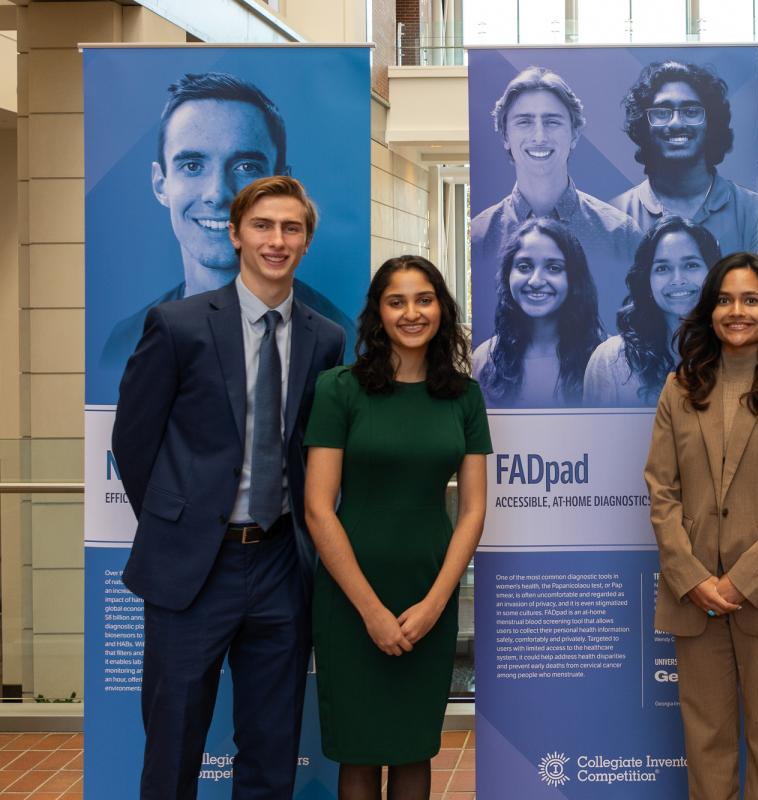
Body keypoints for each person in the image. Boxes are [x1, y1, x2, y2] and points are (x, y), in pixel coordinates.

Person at [112, 176, 346, 799]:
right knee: (173, 747)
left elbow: (309, 451)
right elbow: (133, 443)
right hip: (192, 571)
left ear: (306, 241)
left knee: (272, 752)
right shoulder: (179, 325)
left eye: (291, 228)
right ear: (237, 233)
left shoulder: (326, 339)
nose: (277, 240)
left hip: (280, 565)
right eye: (264, 226)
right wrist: (181, 524)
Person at [304, 255, 491, 799]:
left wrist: (437, 604)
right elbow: (319, 508)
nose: (412, 313)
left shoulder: (463, 395)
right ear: (378, 313)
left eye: (424, 299)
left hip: (427, 589)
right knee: (358, 753)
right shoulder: (339, 389)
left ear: (442, 309)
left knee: (415, 748)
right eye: (396, 301)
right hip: (349, 595)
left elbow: (474, 511)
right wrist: (371, 611)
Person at [644, 253, 758, 800]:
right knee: (707, 747)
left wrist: (740, 582)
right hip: (694, 599)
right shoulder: (679, 389)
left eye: (749, 299)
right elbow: (661, 491)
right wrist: (693, 577)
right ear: (709, 311)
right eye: (725, 299)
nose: (736, 311)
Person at [100, 71, 355, 369]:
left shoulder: (343, 339)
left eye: (245, 166)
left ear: (280, 183)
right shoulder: (127, 342)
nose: (218, 194)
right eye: (193, 165)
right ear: (160, 184)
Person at [470, 65, 642, 329]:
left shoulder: (620, 234)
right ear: (505, 135)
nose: (539, 136)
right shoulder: (479, 235)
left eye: (552, 121)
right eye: (524, 122)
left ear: (574, 135)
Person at [612, 61, 758, 254]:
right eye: (662, 112)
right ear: (644, 126)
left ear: (711, 124)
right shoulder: (615, 215)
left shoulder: (751, 210)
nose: (676, 123)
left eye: (691, 112)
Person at [582, 216, 721, 406]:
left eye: (691, 265)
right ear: (647, 280)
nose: (677, 279)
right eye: (662, 268)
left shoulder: (740, 354)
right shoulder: (610, 360)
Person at [473, 218, 604, 408]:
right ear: (507, 275)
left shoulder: (605, 358)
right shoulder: (484, 359)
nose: (535, 281)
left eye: (553, 268)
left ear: (574, 278)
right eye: (524, 267)